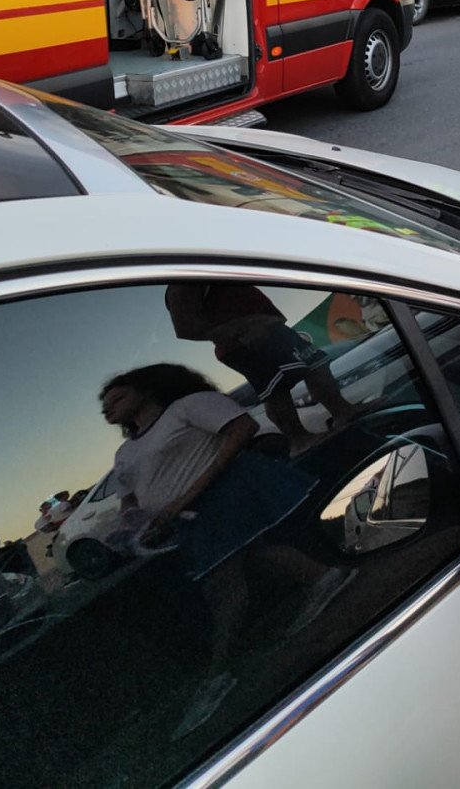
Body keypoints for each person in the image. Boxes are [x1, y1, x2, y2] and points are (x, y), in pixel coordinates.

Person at [99, 363, 333, 738]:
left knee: (223, 588)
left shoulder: (186, 408)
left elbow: (243, 429)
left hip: (221, 500)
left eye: (118, 397)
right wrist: (135, 526)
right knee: (250, 558)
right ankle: (325, 578)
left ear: (147, 391)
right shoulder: (125, 453)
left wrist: (185, 497)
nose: (108, 409)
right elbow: (129, 499)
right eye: (104, 405)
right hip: (187, 522)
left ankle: (216, 676)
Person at [165, 282, 362, 456]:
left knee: (316, 364)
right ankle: (299, 439)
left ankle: (342, 410)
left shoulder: (216, 265)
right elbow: (186, 327)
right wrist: (240, 331)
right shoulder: (183, 281)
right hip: (245, 342)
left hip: (271, 327)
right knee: (276, 389)